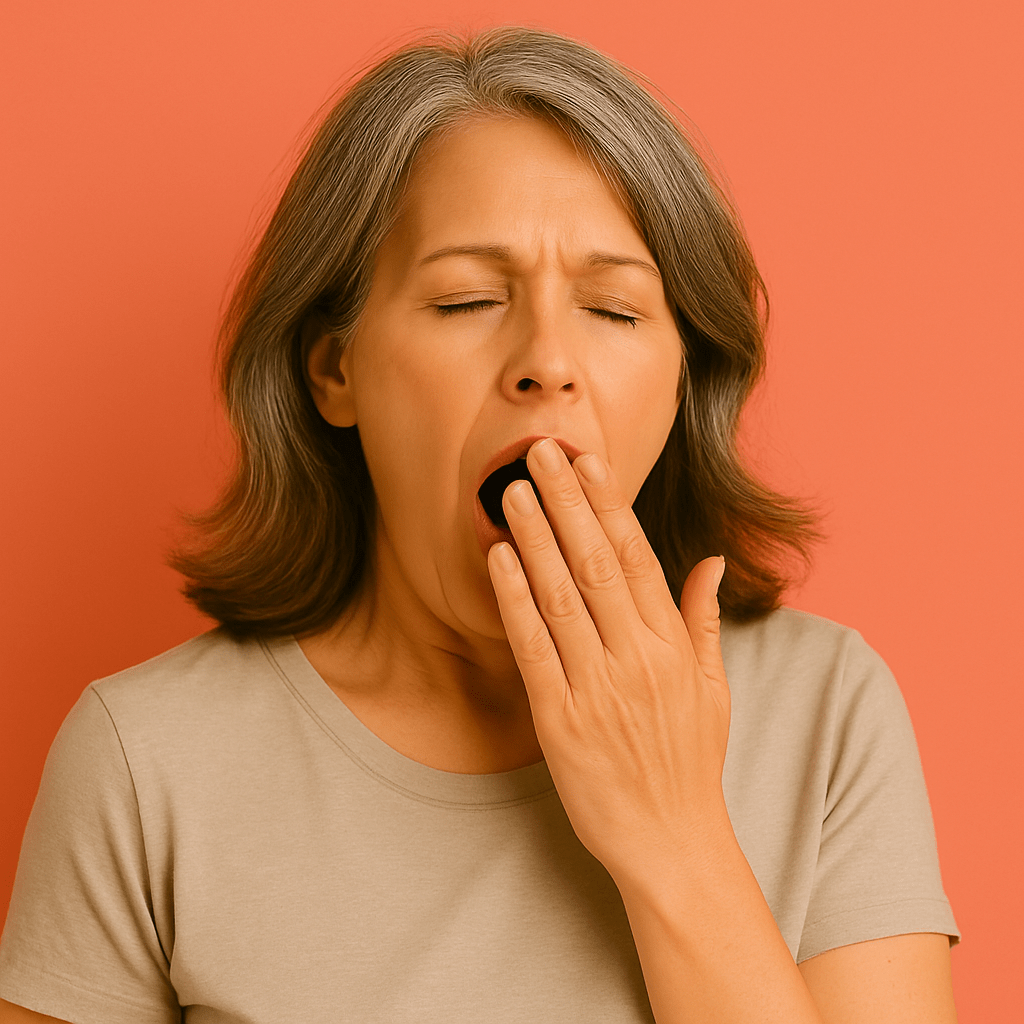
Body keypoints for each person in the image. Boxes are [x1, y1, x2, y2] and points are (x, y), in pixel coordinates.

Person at [0, 25, 960, 1024]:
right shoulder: (148, 759)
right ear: (335, 369)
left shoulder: (826, 714)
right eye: (466, 300)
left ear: (683, 379)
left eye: (616, 311)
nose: (546, 359)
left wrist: (674, 838)